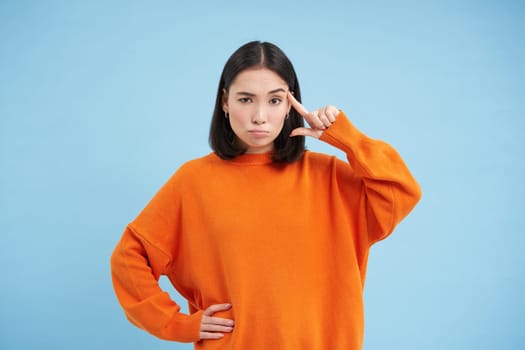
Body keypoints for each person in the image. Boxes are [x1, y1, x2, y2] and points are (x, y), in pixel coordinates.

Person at [110, 40, 422, 349]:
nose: (259, 115)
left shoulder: (329, 177)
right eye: (246, 99)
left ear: (290, 105)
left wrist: (346, 137)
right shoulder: (193, 182)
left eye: (274, 101)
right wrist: (176, 323)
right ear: (224, 102)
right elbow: (128, 258)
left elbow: (401, 190)